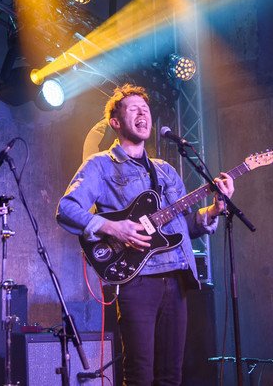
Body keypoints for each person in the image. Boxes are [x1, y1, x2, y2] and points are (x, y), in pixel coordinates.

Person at [57, 84, 233, 386]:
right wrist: (113, 227)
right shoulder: (100, 165)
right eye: (134, 109)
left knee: (171, 377)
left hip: (176, 278)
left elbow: (184, 226)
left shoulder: (165, 171)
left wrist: (214, 210)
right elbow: (66, 209)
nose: (143, 114)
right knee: (139, 375)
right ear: (115, 122)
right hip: (137, 280)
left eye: (146, 109)